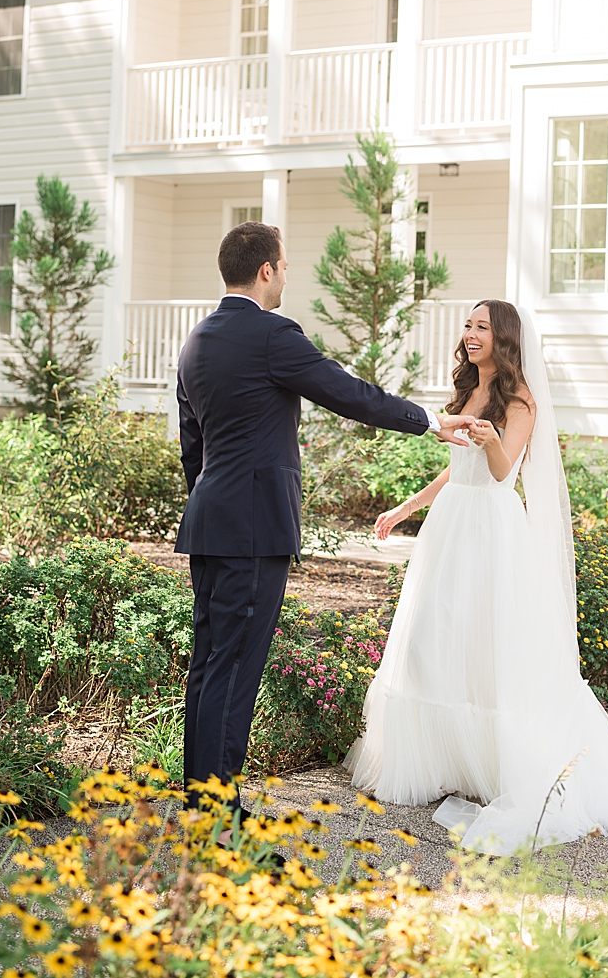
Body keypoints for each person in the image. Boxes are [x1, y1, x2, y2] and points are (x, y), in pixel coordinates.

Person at [343, 299, 608, 853]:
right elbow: (457, 471)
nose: (472, 334)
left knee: (489, 646)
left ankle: (497, 766)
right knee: (434, 639)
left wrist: (493, 440)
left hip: (492, 529)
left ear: (504, 339)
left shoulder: (521, 398)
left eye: (483, 327)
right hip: (451, 525)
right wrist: (406, 508)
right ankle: (447, 760)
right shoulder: (466, 390)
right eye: (469, 325)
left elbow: (502, 474)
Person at [175, 221, 479, 820]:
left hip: (211, 522)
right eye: (284, 267)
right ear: (266, 270)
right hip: (254, 528)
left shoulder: (197, 340)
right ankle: (217, 823)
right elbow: (345, 391)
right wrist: (428, 421)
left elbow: (194, 445)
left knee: (210, 667)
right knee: (235, 671)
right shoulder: (270, 334)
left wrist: (211, 505)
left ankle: (202, 808)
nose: (287, 276)